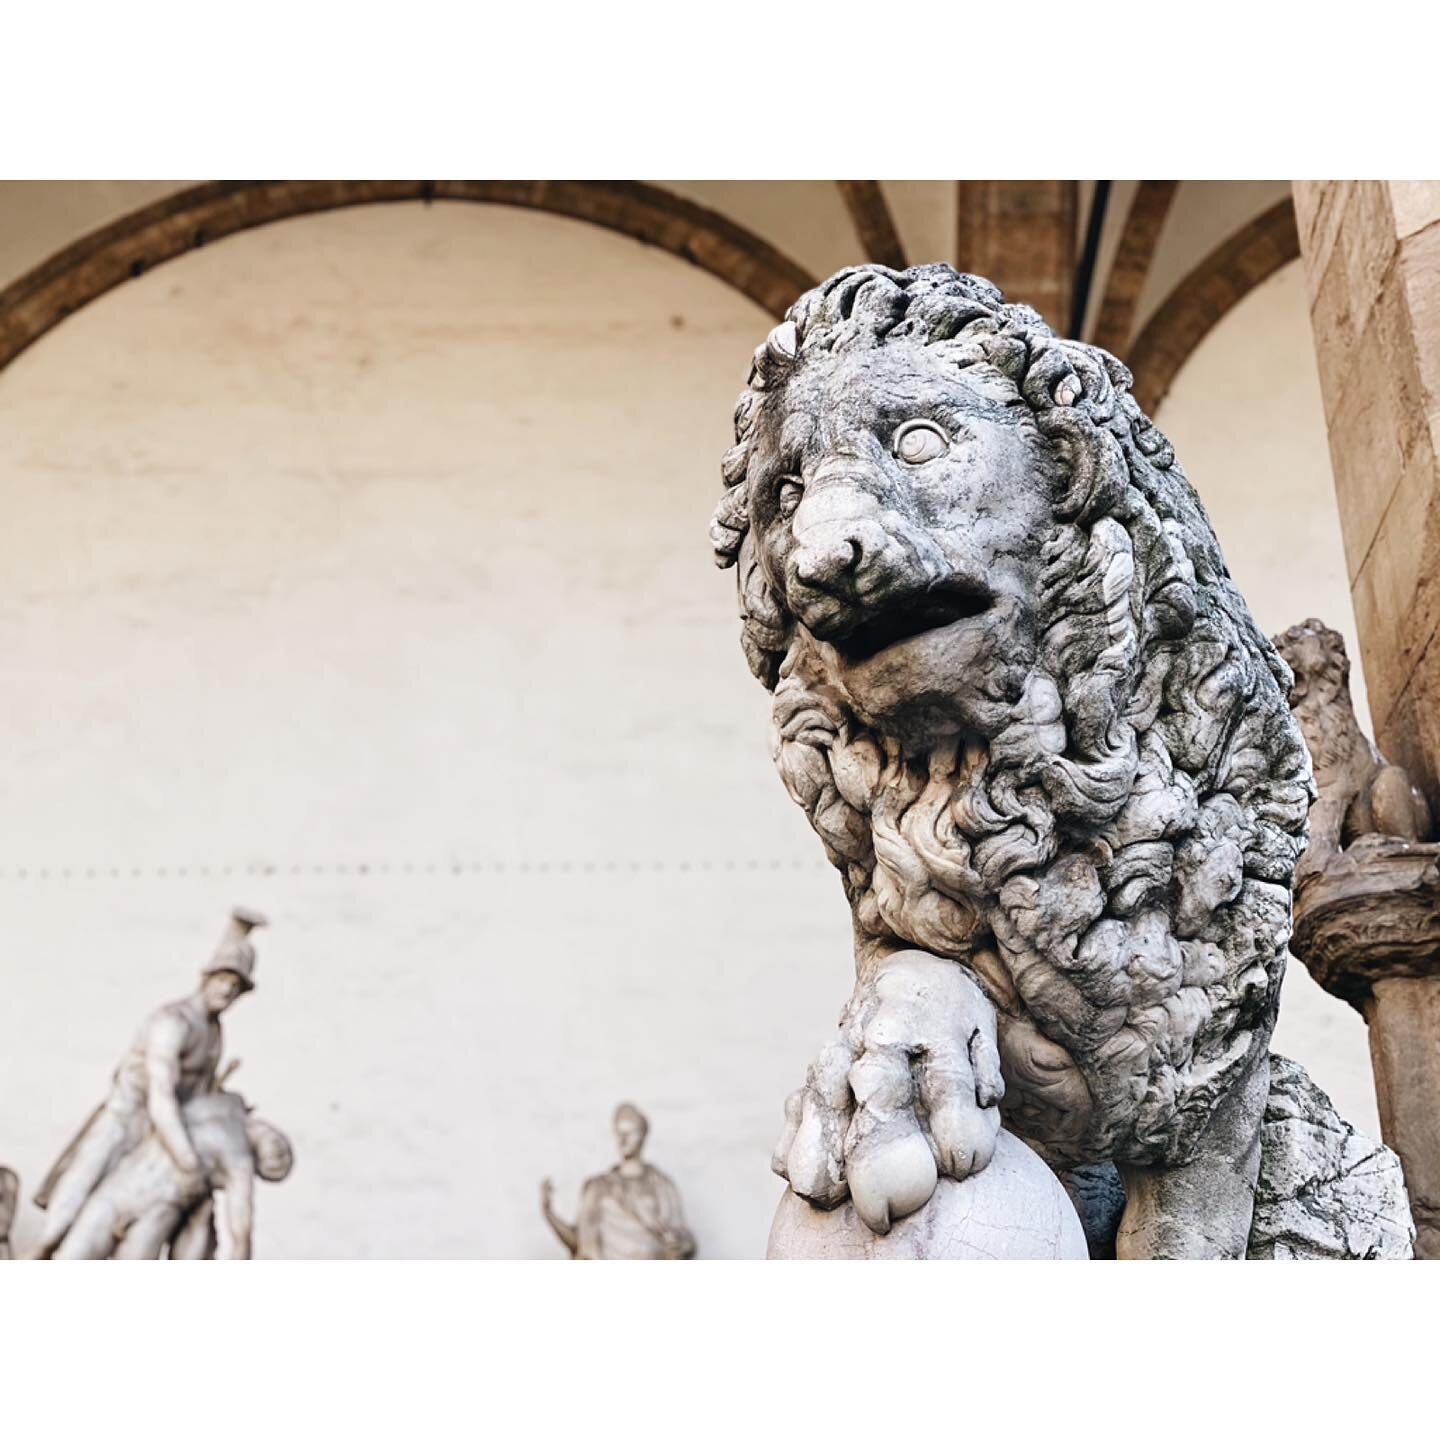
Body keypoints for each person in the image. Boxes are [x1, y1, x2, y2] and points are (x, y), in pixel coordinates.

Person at [28, 908, 267, 1259]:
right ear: (207, 978)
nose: (228, 992)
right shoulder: (172, 1022)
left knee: (195, 1220)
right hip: (126, 1124)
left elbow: (197, 1096)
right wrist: (187, 1160)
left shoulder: (214, 1031)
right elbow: (161, 1096)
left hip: (163, 1139)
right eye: (224, 982)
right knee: (64, 1218)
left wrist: (224, 1110)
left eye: (236, 988)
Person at [53, 1089, 293, 1260]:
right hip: (126, 1190)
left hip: (147, 1205)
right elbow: (241, 1233)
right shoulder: (226, 1110)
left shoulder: (236, 1147)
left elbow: (241, 1230)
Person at [541, 1103, 696, 1260]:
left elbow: (683, 1242)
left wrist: (678, 1244)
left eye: (629, 1133)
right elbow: (579, 1243)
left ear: (642, 1135)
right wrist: (549, 1213)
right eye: (619, 1133)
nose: (623, 1140)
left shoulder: (662, 1186)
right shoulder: (597, 1187)